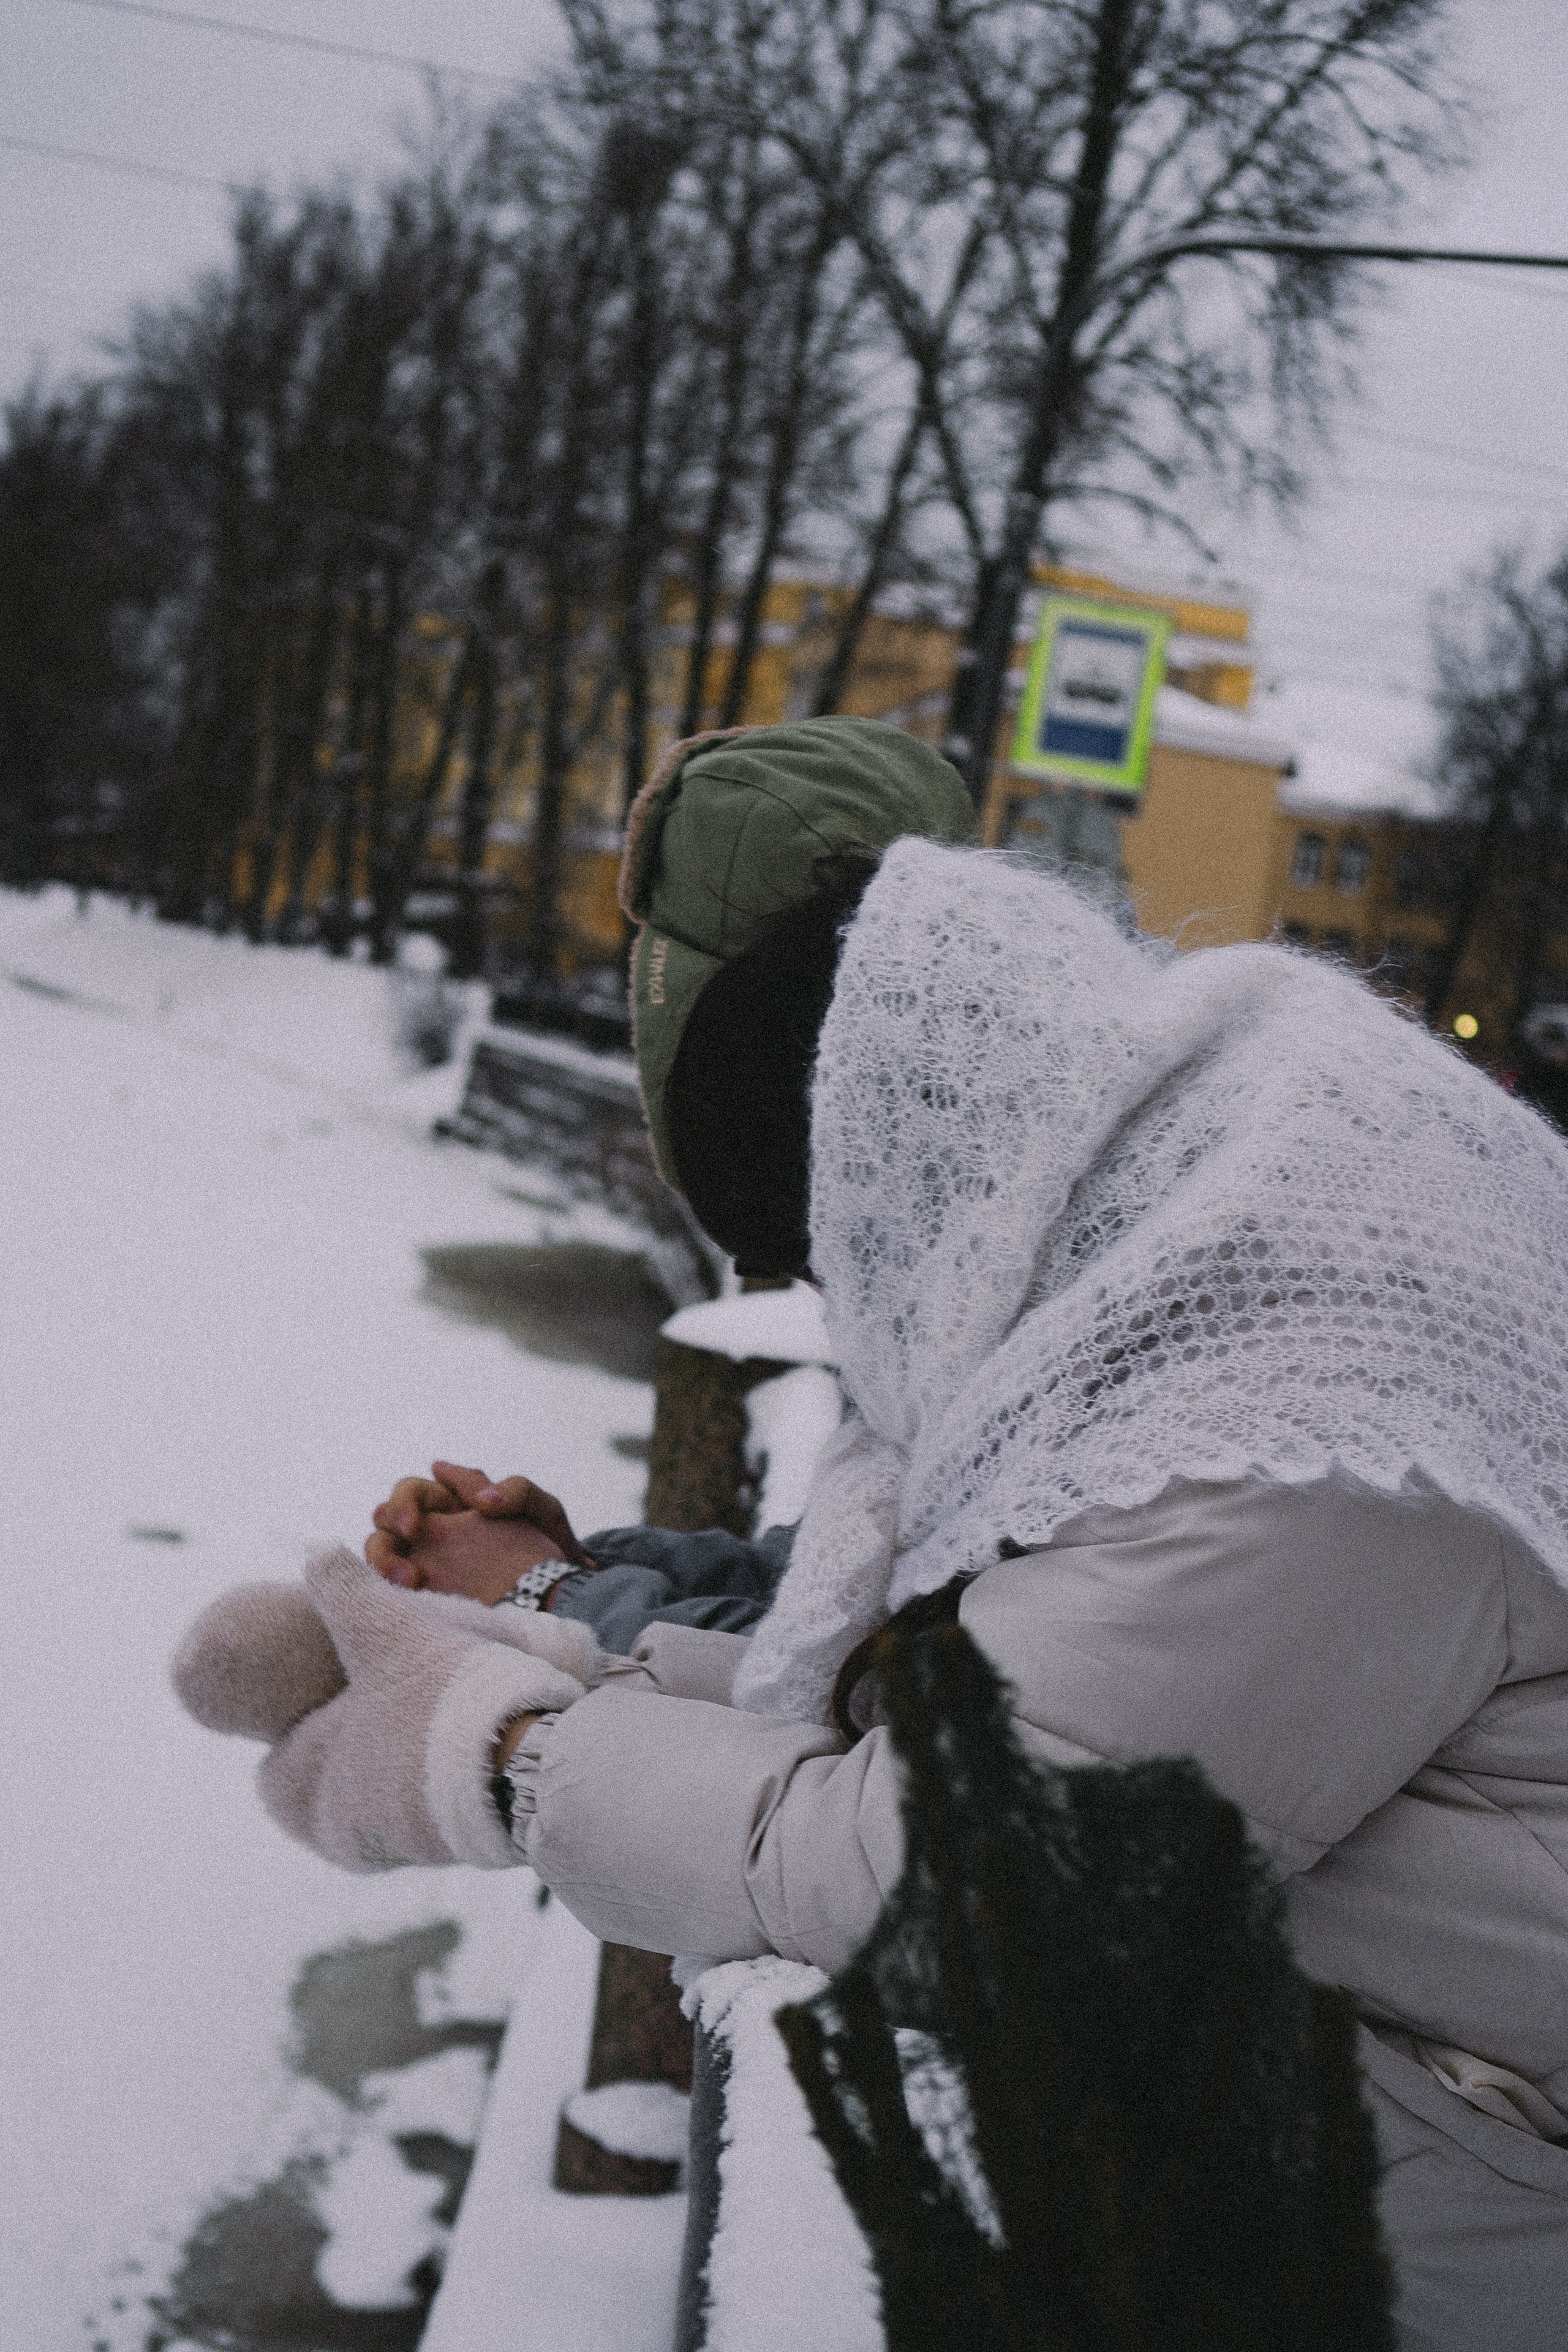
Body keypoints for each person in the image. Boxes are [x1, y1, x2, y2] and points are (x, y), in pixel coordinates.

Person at [176, 715, 1568, 2348]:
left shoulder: (1305, 1406)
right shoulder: (1195, 1188)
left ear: (883, 1181)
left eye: (815, 1260)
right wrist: (567, 1614)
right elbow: (982, 1665)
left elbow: (958, 1879)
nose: (838, 1321)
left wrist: (502, 1751)